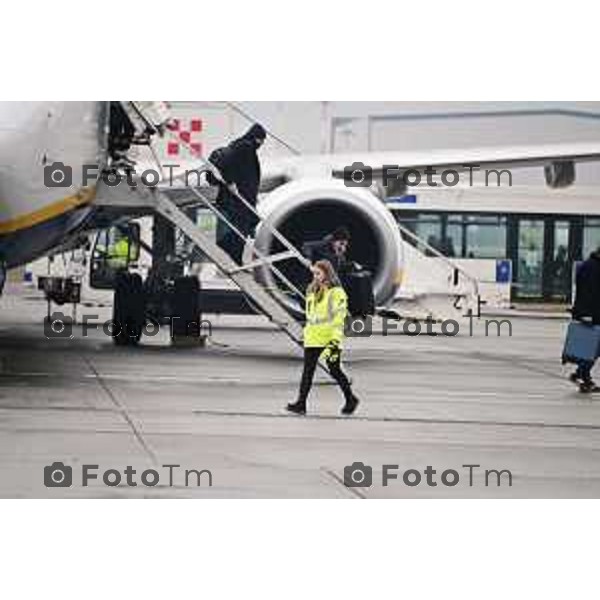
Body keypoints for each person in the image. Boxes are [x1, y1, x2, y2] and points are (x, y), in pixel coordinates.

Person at [287, 259, 360, 416]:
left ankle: (350, 398)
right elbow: (311, 315)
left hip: (330, 337)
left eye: (318, 273)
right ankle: (301, 403)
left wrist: (334, 340)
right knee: (308, 371)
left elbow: (338, 317)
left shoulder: (337, 293)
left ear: (327, 273)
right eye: (314, 273)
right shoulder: (312, 290)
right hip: (313, 336)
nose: (315, 276)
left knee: (334, 370)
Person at [209, 124, 267, 265]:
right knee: (240, 231)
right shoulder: (244, 147)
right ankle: (232, 256)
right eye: (261, 140)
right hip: (237, 200)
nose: (261, 143)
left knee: (243, 230)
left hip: (239, 200)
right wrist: (230, 182)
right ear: (256, 137)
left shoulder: (241, 146)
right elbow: (228, 166)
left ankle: (235, 257)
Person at [569, 248, 600, 392]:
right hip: (591, 314)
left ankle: (582, 375)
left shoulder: (588, 265)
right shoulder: (592, 267)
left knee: (591, 347)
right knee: (593, 347)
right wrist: (586, 314)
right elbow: (588, 293)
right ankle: (582, 375)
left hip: (590, 313)